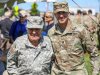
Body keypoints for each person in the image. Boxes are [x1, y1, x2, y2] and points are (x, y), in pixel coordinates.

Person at [48, 2, 99, 75]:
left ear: (68, 13)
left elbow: (94, 53)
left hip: (77, 72)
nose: (61, 15)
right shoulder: (51, 32)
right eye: (58, 13)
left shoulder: (80, 30)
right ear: (55, 14)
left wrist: (95, 72)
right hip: (57, 72)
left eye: (63, 12)